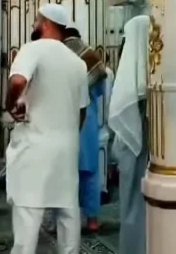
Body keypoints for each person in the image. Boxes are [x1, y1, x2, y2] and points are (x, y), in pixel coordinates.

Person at [5, 4, 88, 254]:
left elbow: (18, 80)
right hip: (66, 148)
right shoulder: (77, 63)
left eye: (36, 21)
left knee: (28, 214)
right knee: (67, 213)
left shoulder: (33, 49)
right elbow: (82, 110)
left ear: (46, 23)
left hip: (35, 146)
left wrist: (10, 105)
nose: (34, 25)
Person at [109, 15, 149, 254]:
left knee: (134, 205)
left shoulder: (132, 75)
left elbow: (121, 115)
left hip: (134, 156)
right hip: (148, 157)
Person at [63, 26, 106, 234]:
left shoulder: (59, 58)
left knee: (64, 173)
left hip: (62, 121)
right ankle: (92, 220)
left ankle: (63, 222)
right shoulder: (90, 56)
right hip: (87, 123)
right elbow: (99, 91)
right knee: (89, 173)